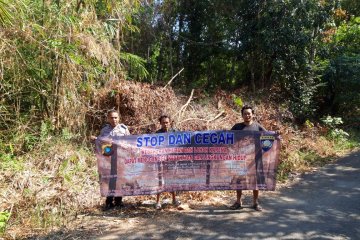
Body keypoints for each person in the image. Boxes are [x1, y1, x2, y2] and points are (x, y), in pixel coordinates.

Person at [91, 110, 130, 211]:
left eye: (116, 117)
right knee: (109, 179)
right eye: (112, 118)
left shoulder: (124, 129)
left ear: (119, 118)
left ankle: (118, 201)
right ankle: (109, 202)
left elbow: (130, 142)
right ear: (108, 118)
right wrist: (95, 139)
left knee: (120, 179)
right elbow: (101, 142)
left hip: (120, 158)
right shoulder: (104, 130)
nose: (114, 120)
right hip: (108, 159)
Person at [230, 105, 266, 211]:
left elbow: (269, 137)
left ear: (252, 114)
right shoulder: (237, 127)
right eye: (245, 113)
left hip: (254, 159)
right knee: (239, 180)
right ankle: (238, 202)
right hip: (240, 158)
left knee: (255, 181)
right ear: (242, 115)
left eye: (249, 113)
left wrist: (277, 137)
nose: (247, 115)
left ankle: (255, 203)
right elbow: (228, 138)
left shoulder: (258, 127)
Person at [154, 115, 181, 210]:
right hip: (161, 160)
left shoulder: (175, 132)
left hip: (172, 161)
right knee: (160, 181)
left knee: (172, 180)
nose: (165, 124)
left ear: (170, 123)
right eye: (163, 122)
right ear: (160, 123)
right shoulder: (157, 134)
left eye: (167, 122)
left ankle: (174, 200)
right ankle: (157, 202)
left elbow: (180, 144)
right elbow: (154, 147)